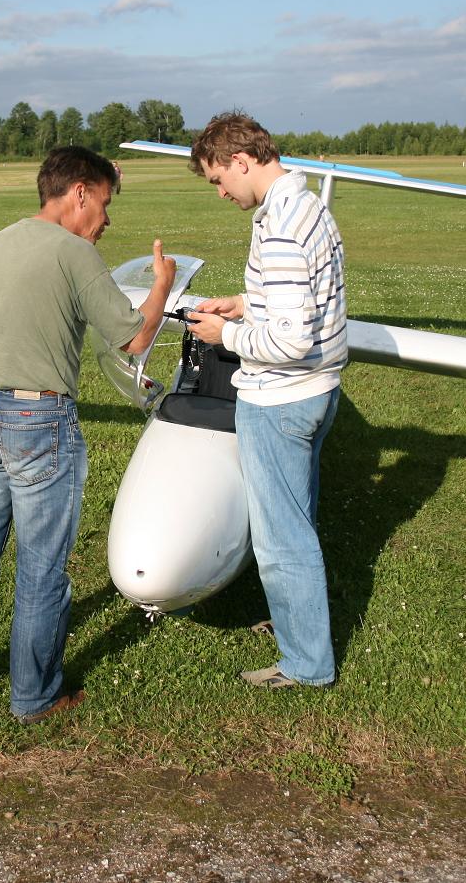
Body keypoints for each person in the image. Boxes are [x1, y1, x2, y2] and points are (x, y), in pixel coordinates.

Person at [0, 147, 177, 723]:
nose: (106, 221)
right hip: (40, 419)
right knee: (41, 567)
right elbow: (133, 341)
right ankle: (34, 696)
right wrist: (162, 284)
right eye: (105, 204)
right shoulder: (75, 253)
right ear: (79, 193)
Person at [184, 112, 348, 689]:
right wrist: (242, 303)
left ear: (241, 161)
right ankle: (294, 621)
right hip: (318, 391)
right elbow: (294, 305)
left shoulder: (279, 225)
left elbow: (290, 339)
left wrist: (221, 335)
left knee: (281, 538)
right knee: (296, 518)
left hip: (280, 400)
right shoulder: (308, 208)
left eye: (218, 180)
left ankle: (306, 665)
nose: (222, 192)